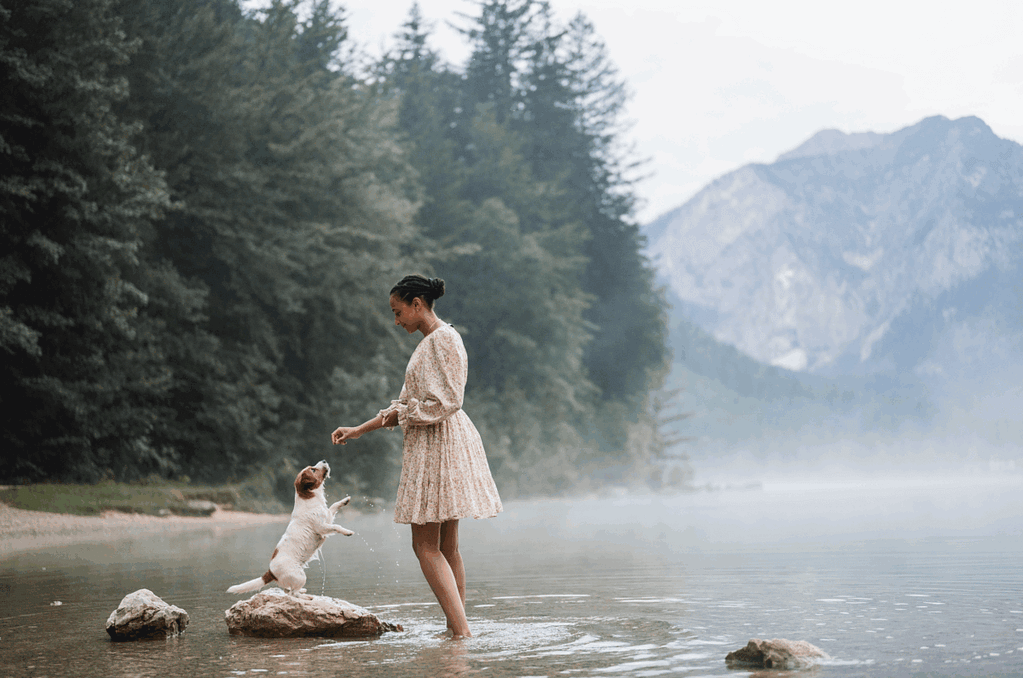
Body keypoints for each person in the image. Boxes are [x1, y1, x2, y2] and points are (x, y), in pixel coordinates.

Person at [332, 274, 503, 638]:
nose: (396, 321)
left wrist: (408, 414)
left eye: (398, 312)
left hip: (440, 443)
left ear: (417, 304)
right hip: (438, 441)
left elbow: (449, 400)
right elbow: (405, 405)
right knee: (445, 546)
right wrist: (359, 429)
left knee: (424, 545)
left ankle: (461, 632)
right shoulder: (431, 342)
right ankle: (457, 630)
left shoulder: (443, 339)